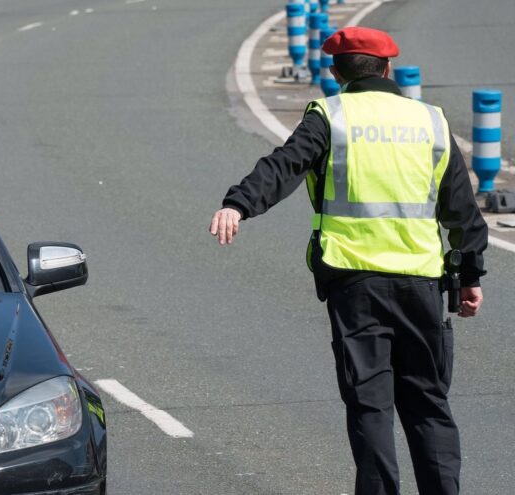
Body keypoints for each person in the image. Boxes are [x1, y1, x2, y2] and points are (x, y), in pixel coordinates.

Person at [208, 27, 487, 495]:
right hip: (421, 283)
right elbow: (461, 209)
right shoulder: (430, 121)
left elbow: (284, 165)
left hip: (355, 284)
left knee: (370, 405)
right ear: (388, 69)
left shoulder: (331, 117)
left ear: (336, 73)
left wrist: (238, 204)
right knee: (428, 404)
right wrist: (469, 275)